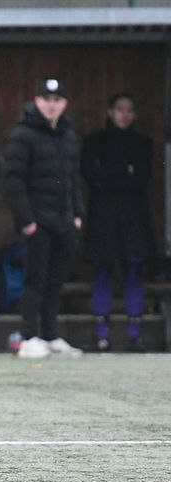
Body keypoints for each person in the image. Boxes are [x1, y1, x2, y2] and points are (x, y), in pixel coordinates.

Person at [5, 78, 85, 359]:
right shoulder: (22, 135)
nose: (51, 105)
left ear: (65, 104)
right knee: (34, 279)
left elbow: (73, 179)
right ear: (37, 101)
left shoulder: (68, 135)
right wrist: (26, 220)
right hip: (37, 222)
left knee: (56, 280)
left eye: (57, 100)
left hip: (65, 220)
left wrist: (77, 214)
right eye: (46, 99)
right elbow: (13, 181)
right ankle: (29, 336)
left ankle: (50, 335)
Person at [81, 93, 154, 352]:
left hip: (134, 219)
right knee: (103, 272)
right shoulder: (94, 142)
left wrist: (108, 174)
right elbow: (92, 176)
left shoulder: (143, 144)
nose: (124, 114)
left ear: (134, 115)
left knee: (134, 272)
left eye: (129, 110)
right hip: (103, 219)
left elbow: (140, 179)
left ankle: (135, 336)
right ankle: (102, 336)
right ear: (109, 112)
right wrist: (123, 172)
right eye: (120, 109)